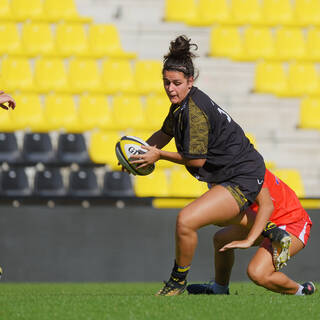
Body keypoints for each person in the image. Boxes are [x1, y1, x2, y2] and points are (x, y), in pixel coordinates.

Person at [129, 35, 291, 296]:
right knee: (213, 221)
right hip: (235, 169)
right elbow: (164, 132)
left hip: (242, 174)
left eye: (177, 83)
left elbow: (195, 160)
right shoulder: (181, 106)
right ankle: (272, 233)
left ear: (190, 82)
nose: (171, 88)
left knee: (186, 221)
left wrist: (157, 156)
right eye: (166, 83)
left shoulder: (194, 112)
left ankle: (176, 283)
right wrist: (137, 154)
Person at [187, 168, 315, 296]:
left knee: (258, 273)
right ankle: (219, 290)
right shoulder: (228, 165)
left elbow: (231, 215)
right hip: (268, 221)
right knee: (221, 239)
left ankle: (302, 292)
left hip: (291, 222)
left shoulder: (241, 166)